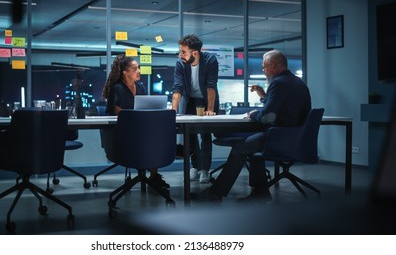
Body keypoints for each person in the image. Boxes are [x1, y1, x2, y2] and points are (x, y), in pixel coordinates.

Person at [198, 49, 312, 202]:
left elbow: (266, 117)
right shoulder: (297, 82)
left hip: (279, 137)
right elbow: (280, 108)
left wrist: (252, 114)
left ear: (273, 66)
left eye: (264, 67)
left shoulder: (278, 83)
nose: (264, 71)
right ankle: (260, 192)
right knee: (252, 145)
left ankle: (216, 192)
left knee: (241, 147)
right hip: (295, 137)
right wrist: (264, 96)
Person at [102, 54, 170, 189]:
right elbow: (118, 113)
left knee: (154, 137)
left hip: (140, 129)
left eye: (138, 68)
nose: (139, 71)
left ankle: (153, 176)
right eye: (134, 69)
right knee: (150, 139)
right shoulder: (117, 89)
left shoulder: (140, 87)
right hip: (123, 133)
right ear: (125, 73)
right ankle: (152, 175)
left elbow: (145, 107)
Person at [171, 34, 220, 183]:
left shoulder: (210, 60)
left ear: (195, 53)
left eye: (183, 52)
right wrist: (173, 110)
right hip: (190, 100)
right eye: (180, 51)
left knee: (205, 135)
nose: (180, 55)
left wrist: (210, 109)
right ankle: (195, 167)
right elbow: (178, 88)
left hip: (207, 100)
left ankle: (205, 169)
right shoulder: (181, 64)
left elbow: (211, 86)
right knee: (189, 134)